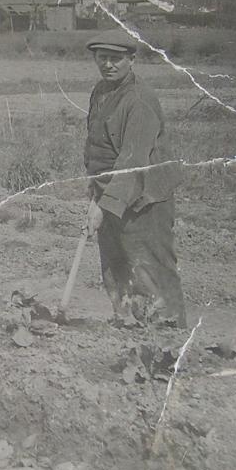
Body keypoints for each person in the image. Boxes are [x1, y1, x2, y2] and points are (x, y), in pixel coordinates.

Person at [83, 28, 186, 328]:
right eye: (103, 58)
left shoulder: (139, 100)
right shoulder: (100, 92)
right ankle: (126, 327)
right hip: (111, 193)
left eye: (116, 59)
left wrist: (103, 205)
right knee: (116, 266)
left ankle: (169, 339)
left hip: (145, 198)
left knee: (151, 269)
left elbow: (133, 159)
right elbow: (97, 149)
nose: (108, 65)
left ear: (131, 60)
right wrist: (95, 195)